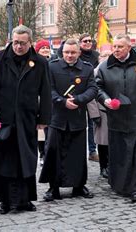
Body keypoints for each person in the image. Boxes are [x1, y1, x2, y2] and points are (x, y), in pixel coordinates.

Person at [0, 25, 51, 214]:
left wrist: (44, 118)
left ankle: (25, 200)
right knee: (5, 162)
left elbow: (45, 92)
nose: (18, 47)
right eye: (15, 42)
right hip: (3, 120)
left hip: (27, 119)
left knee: (25, 160)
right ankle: (5, 201)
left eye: (23, 43)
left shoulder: (39, 62)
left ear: (30, 42)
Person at [96, 34, 136, 203]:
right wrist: (105, 99)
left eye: (120, 47)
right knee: (118, 152)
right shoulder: (104, 67)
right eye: (114, 47)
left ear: (129, 48)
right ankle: (119, 185)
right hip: (116, 116)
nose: (116, 50)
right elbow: (98, 87)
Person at [39, 38, 98, 201]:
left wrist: (78, 100)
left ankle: (78, 186)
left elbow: (93, 88)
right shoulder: (52, 66)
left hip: (77, 117)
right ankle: (54, 187)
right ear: (62, 52)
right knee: (54, 154)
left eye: (73, 52)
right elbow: (47, 89)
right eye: (66, 52)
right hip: (57, 117)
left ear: (79, 53)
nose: (70, 56)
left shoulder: (87, 68)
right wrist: (62, 101)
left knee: (77, 154)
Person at [88, 49, 112, 178]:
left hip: (114, 111)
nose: (107, 57)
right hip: (101, 111)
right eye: (104, 55)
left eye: (109, 55)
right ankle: (103, 167)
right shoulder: (94, 72)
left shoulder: (114, 71)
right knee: (103, 142)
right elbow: (91, 95)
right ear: (99, 58)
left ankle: (113, 166)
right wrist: (94, 114)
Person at [78, 33, 99, 162]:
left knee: (93, 123)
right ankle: (79, 150)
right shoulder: (76, 54)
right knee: (79, 123)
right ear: (80, 42)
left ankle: (92, 150)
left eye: (90, 41)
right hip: (78, 92)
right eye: (85, 41)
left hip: (92, 93)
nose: (87, 43)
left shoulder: (96, 56)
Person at [34, 39, 53, 167]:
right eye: (42, 48)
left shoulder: (53, 63)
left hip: (50, 100)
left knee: (49, 131)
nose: (45, 50)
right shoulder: (34, 63)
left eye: (47, 47)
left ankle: (48, 152)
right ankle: (42, 153)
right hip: (38, 101)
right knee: (40, 131)